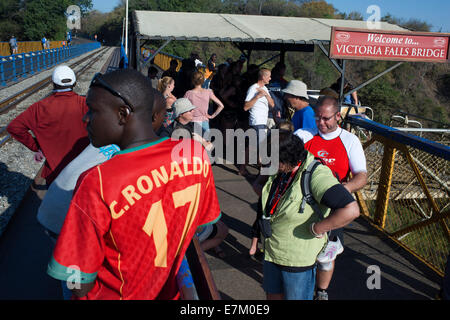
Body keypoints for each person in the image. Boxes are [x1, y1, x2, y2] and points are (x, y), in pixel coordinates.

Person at [46, 70, 222, 300]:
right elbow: (202, 223)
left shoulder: (97, 181)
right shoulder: (195, 154)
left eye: (93, 110)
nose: (85, 118)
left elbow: (77, 280)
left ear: (122, 114)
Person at [261, 130, 359, 300]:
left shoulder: (315, 174)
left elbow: (351, 209)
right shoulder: (282, 171)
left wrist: (318, 228)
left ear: (286, 160)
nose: (263, 161)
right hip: (273, 251)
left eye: (271, 158)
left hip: (296, 259)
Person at [294, 95, 367, 300]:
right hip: (303, 203)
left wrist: (345, 189)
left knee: (327, 255)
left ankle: (321, 291)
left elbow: (361, 175)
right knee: (301, 248)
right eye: (317, 118)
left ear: (337, 117)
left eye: (326, 118)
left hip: (333, 207)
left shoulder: (350, 140)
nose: (321, 123)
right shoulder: (303, 135)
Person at [7, 65, 90, 185]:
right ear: (74, 83)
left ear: (53, 83)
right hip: (82, 169)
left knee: (55, 202)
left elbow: (14, 127)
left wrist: (36, 146)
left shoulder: (39, 107)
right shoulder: (85, 104)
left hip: (54, 172)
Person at [241, 68, 275, 176]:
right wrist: (257, 97)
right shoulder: (253, 88)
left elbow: (272, 104)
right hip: (256, 121)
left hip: (262, 122)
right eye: (269, 76)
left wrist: (265, 94)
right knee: (256, 146)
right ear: (263, 77)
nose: (270, 78)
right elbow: (246, 107)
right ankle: (259, 169)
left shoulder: (265, 88)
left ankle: (245, 168)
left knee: (254, 146)